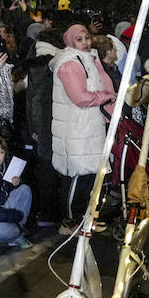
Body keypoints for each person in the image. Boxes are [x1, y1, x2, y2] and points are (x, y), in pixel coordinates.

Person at [49, 24, 114, 228]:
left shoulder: (89, 59)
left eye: (87, 37)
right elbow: (80, 97)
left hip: (89, 127)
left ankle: (85, 218)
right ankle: (70, 222)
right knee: (77, 176)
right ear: (70, 41)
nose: (85, 43)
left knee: (89, 176)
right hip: (75, 129)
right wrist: (108, 97)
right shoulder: (69, 63)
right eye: (80, 39)